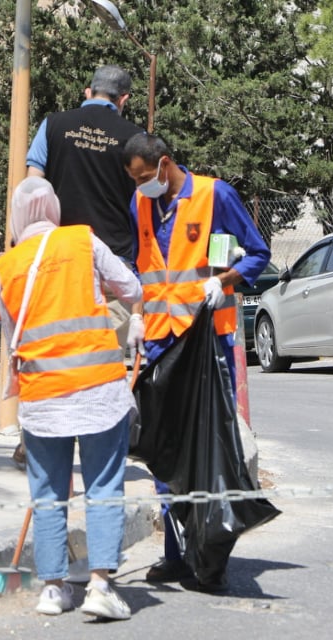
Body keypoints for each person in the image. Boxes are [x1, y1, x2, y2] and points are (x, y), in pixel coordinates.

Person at [122, 132, 271, 592]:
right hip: (162, 344)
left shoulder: (214, 195)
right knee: (166, 453)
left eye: (146, 177)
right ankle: (176, 555)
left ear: (165, 164)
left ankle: (210, 558)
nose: (142, 187)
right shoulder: (140, 204)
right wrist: (135, 315)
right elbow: (139, 265)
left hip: (207, 344)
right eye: (136, 181)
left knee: (206, 450)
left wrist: (223, 280)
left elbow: (259, 255)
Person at [0, 177, 143, 621]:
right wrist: (133, 321)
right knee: (103, 488)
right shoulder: (82, 241)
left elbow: (10, 339)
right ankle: (99, 585)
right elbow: (131, 287)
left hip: (42, 401)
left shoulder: (5, 268)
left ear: (18, 218)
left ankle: (54, 588)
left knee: (48, 494)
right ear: (54, 209)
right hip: (98, 392)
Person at [26, 64, 145, 348]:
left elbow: (33, 187)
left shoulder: (52, 124)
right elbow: (145, 201)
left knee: (62, 352)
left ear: (88, 92)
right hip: (113, 264)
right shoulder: (135, 137)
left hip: (60, 260)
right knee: (104, 360)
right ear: (124, 100)